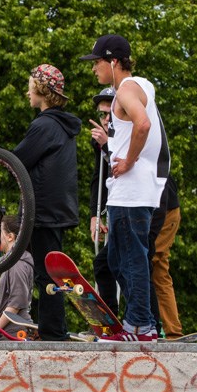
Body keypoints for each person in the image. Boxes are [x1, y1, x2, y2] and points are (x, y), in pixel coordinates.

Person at [80, 34, 170, 342]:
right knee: (115, 260)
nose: (94, 70)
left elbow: (142, 124)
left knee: (131, 259)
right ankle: (139, 321)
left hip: (132, 193)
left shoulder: (128, 89)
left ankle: (139, 325)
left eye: (97, 63)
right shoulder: (139, 87)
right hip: (127, 194)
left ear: (113, 62)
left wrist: (129, 161)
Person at [12, 64, 81, 341]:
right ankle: (54, 327)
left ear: (41, 90)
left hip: (42, 210)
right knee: (51, 270)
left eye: (31, 87)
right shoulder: (63, 126)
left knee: (47, 274)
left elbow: (18, 159)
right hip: (58, 208)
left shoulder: (44, 125)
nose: (28, 92)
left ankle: (53, 331)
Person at [88, 86, 119, 314]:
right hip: (116, 207)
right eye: (102, 114)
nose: (105, 119)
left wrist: (107, 144)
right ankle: (112, 319)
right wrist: (94, 216)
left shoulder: (125, 134)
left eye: (110, 113)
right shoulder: (99, 142)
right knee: (104, 263)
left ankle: (148, 324)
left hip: (143, 207)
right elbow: (98, 178)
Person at [148, 176, 183, 338]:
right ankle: (172, 331)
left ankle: (148, 325)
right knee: (159, 273)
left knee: (142, 263)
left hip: (164, 211)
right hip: (152, 211)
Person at [0, 215, 34, 337]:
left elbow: (16, 304)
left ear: (10, 237)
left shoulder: (17, 263)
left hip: (14, 334)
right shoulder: (12, 262)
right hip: (9, 333)